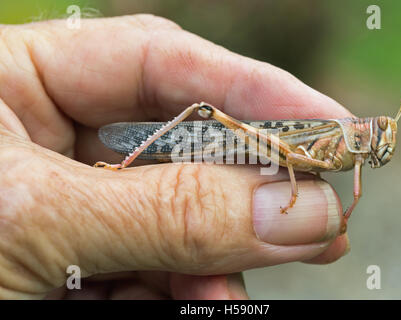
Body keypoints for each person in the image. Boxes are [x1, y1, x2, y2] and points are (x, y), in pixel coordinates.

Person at [0, 14, 351, 299]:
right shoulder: (335, 135)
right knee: (206, 112)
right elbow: (289, 157)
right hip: (244, 142)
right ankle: (126, 161)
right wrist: (293, 195)